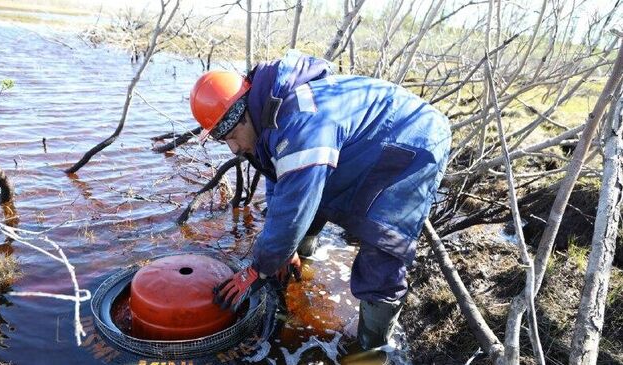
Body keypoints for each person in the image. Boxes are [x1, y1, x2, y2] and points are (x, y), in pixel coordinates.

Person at [189, 50, 451, 350]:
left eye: (234, 135)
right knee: (304, 207)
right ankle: (301, 271)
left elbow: (294, 209)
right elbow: (281, 183)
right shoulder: (269, 117)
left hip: (414, 140)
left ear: (246, 112)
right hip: (369, 141)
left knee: (382, 244)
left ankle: (371, 348)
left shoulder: (299, 122)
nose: (234, 149)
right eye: (225, 141)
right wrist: (282, 251)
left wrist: (257, 269)